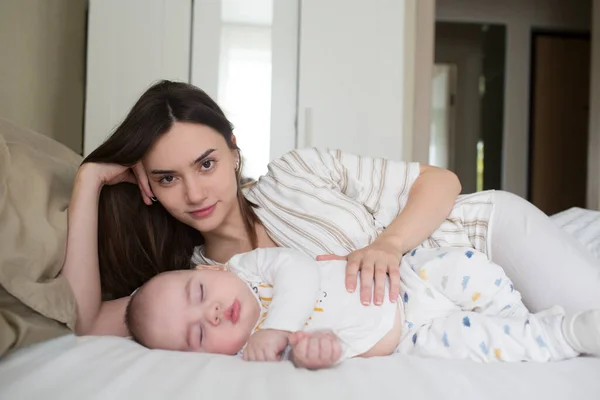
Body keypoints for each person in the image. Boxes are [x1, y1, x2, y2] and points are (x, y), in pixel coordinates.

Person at [59, 80, 600, 338]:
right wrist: (89, 181)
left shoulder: (297, 172)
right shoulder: (198, 287)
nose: (196, 194)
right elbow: (85, 320)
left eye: (206, 164)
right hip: (447, 325)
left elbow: (442, 181)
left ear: (233, 151)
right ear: (148, 188)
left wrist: (386, 244)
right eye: (168, 179)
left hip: (480, 239)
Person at [124, 247, 600, 369]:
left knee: (467, 268)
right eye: (198, 336)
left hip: (409, 282)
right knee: (482, 344)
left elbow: (302, 271)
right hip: (406, 340)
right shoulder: (252, 355)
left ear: (209, 272)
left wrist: (279, 328)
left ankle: (521, 319)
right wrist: (316, 353)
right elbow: (320, 353)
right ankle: (566, 334)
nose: (208, 316)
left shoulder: (249, 268)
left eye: (198, 295)